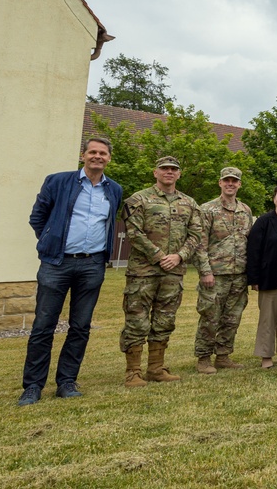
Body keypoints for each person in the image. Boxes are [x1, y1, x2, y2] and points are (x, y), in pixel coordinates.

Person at [19, 138, 123, 406]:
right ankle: (32, 386)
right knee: (43, 326)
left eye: (102, 153)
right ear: (83, 155)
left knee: (80, 327)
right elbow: (37, 217)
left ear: (109, 158)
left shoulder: (114, 190)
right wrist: (48, 241)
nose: (97, 157)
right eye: (92, 152)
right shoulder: (58, 181)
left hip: (92, 265)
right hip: (57, 264)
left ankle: (66, 381)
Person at [119, 156, 204, 387]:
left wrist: (179, 256)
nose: (169, 172)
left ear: (179, 174)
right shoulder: (139, 199)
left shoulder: (189, 203)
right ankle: (133, 372)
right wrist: (158, 256)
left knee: (165, 320)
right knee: (137, 320)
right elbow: (133, 232)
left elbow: (196, 234)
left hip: (173, 272)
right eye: (164, 168)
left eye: (173, 169)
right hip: (143, 272)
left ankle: (156, 368)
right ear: (155, 172)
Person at [194, 167, 252, 374]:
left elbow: (249, 242)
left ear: (239, 185)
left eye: (234, 181)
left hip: (239, 274)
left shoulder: (245, 210)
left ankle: (223, 355)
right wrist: (205, 272)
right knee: (210, 316)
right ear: (220, 183)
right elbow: (199, 243)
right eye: (226, 180)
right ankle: (203, 357)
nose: (230, 184)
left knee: (232, 317)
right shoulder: (207, 209)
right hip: (215, 274)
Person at [247, 183, 277, 369]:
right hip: (269, 278)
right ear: (274, 198)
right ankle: (265, 356)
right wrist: (254, 278)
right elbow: (253, 250)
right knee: (267, 319)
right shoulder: (264, 221)